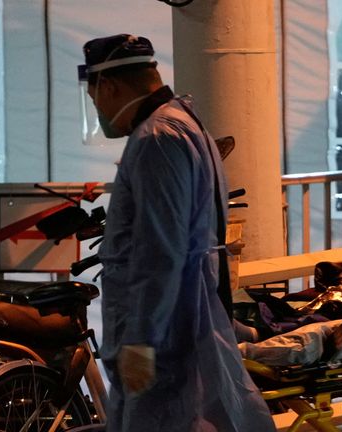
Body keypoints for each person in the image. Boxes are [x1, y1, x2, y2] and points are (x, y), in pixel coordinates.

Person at [80, 34, 275, 431]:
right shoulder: (184, 122)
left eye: (95, 97)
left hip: (162, 331)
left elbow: (160, 248)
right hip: (179, 316)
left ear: (110, 86)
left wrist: (142, 339)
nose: (98, 108)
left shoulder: (157, 138)